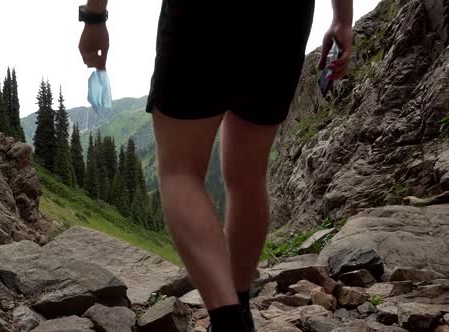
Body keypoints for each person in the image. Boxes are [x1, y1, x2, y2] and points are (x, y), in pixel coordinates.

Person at [78, 1, 353, 331]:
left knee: (180, 172)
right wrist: (342, 19)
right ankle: (240, 307)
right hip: (285, 17)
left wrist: (94, 17)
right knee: (248, 176)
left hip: (201, 15)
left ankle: (228, 321)